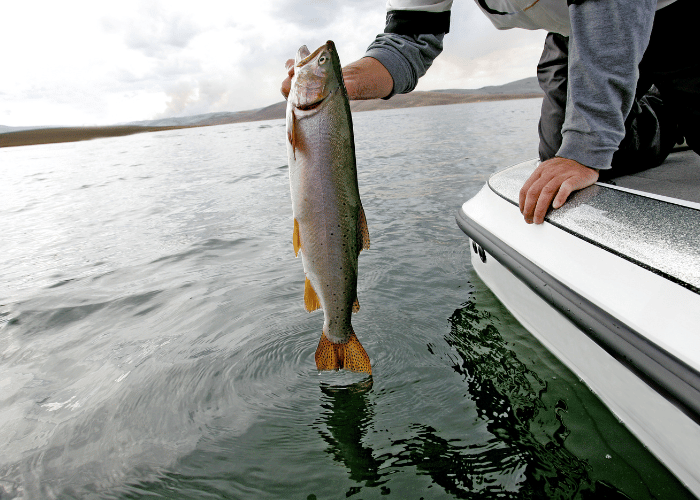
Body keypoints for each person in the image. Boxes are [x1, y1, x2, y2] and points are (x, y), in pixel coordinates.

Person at [281, 0, 699, 224]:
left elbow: (612, 10)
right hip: (574, 27)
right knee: (560, 153)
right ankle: (666, 112)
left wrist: (587, 145)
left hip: (677, 14)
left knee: (585, 149)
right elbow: (408, 40)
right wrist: (345, 79)